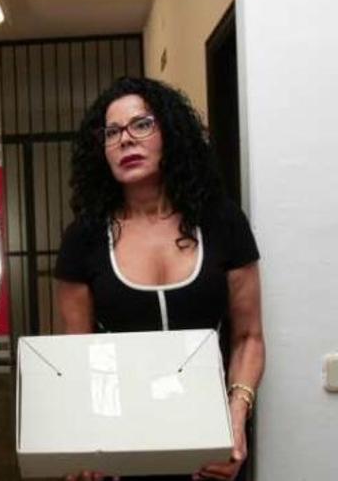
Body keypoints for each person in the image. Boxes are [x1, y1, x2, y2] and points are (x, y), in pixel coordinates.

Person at [55, 77, 264, 481]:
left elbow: (248, 337)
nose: (125, 140)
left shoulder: (222, 221)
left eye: (142, 124)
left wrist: (235, 418)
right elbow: (78, 354)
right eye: (112, 132)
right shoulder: (83, 238)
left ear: (171, 133)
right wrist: (85, 438)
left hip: (209, 444)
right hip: (122, 445)